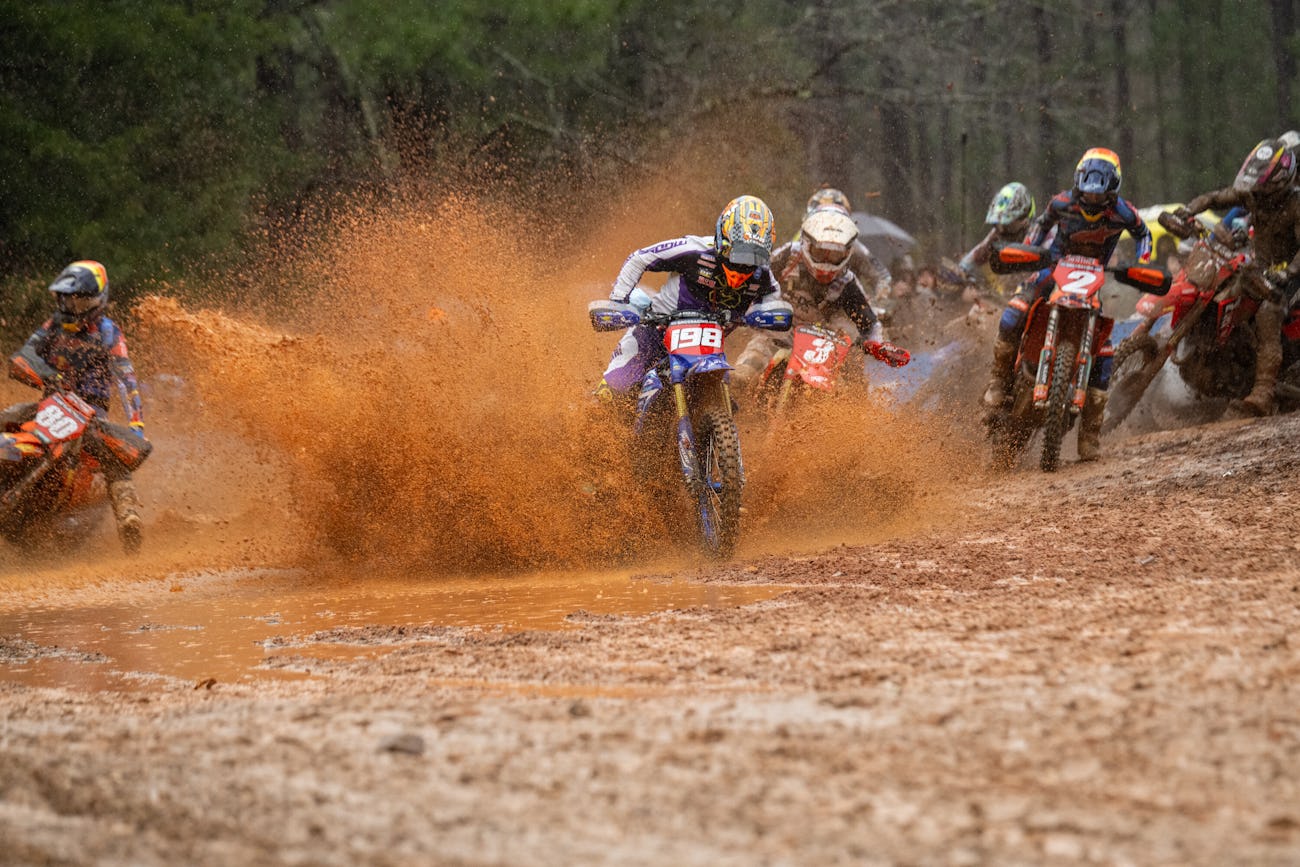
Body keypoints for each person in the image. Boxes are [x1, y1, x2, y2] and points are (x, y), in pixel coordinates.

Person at [982, 148, 1153, 461]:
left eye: (1099, 195)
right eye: (1087, 193)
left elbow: (1144, 234)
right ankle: (998, 382)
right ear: (1078, 184)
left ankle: (1089, 436)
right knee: (1012, 314)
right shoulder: (1061, 202)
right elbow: (1041, 225)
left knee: (1104, 351)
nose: (1092, 199)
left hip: (1094, 277)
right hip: (1054, 267)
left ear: (1112, 189)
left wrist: (1142, 264)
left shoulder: (1125, 212)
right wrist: (1030, 251)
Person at [594, 196, 794, 405]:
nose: (745, 263)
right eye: (739, 252)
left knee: (728, 403)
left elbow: (772, 306)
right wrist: (618, 302)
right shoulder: (694, 250)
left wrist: (763, 316)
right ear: (723, 238)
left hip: (706, 351)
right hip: (654, 334)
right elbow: (639, 258)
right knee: (611, 392)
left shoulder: (763, 276)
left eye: (756, 256)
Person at [3, 260, 148, 546]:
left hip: (91, 412)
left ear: (97, 301)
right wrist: (45, 375)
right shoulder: (53, 326)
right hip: (52, 403)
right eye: (67, 300)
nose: (72, 307)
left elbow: (126, 380)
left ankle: (128, 515)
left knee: (111, 452)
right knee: (10, 415)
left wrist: (137, 425)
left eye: (80, 301)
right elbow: (24, 355)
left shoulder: (108, 332)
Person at [1174, 136, 1300, 417]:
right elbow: (1214, 198)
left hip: (1292, 276)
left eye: (1265, 187)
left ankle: (1263, 392)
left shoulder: (1296, 204)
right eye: (1257, 186)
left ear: (1281, 183)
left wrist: (1287, 272)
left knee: (1268, 313)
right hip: (1260, 268)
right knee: (1221, 289)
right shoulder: (1252, 195)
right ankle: (1211, 357)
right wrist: (1188, 210)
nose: (1258, 193)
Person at [732, 208, 909, 387]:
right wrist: (740, 307)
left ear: (847, 253)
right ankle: (733, 392)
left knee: (851, 375)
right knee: (750, 364)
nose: (826, 261)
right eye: (820, 252)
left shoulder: (846, 282)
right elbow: (755, 280)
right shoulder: (789, 255)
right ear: (806, 243)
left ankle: (853, 404)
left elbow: (870, 325)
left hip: (824, 345)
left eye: (835, 255)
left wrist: (877, 345)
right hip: (780, 331)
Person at [801, 185, 895, 304]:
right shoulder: (799, 242)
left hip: (844, 306)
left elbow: (882, 276)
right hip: (801, 302)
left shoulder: (854, 247)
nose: (829, 224)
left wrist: (877, 301)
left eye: (835, 218)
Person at [958, 182, 1037, 296]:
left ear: (1024, 218)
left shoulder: (1040, 236)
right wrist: (962, 278)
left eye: (1008, 224)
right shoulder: (997, 235)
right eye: (998, 224)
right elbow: (968, 264)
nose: (1001, 229)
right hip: (1003, 297)